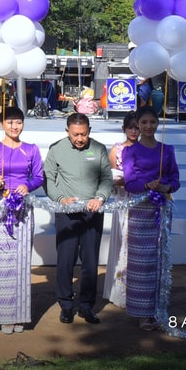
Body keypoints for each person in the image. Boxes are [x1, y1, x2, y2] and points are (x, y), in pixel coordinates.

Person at [43, 112, 112, 325]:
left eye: (83, 134)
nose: (80, 139)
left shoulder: (99, 149)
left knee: (90, 261)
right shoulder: (56, 149)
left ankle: (86, 306)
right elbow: (48, 180)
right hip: (67, 214)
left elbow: (106, 179)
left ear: (89, 130)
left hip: (93, 213)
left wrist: (100, 198)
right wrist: (61, 199)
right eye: (75, 134)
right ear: (67, 132)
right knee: (66, 260)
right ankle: (66, 305)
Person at [0, 106, 45, 334]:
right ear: (2, 123)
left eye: (18, 122)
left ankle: (20, 314)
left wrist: (27, 185)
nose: (14, 126)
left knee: (21, 261)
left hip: (23, 208)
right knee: (2, 262)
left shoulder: (31, 149)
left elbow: (38, 176)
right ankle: (3, 315)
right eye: (9, 122)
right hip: (2, 206)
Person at [123, 107, 180, 330]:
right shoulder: (131, 151)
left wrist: (167, 186)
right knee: (141, 262)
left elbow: (175, 179)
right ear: (138, 125)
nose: (148, 126)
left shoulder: (167, 150)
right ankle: (142, 312)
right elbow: (129, 183)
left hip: (162, 209)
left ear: (158, 124)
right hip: (140, 210)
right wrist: (147, 185)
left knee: (160, 260)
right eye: (144, 122)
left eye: (152, 122)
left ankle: (159, 308)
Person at [103, 113, 139, 306]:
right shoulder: (116, 149)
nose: (134, 131)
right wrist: (121, 182)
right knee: (121, 243)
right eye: (130, 127)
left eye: (136, 127)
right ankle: (118, 291)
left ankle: (137, 288)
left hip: (140, 201)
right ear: (124, 129)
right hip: (122, 200)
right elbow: (110, 178)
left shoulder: (146, 149)